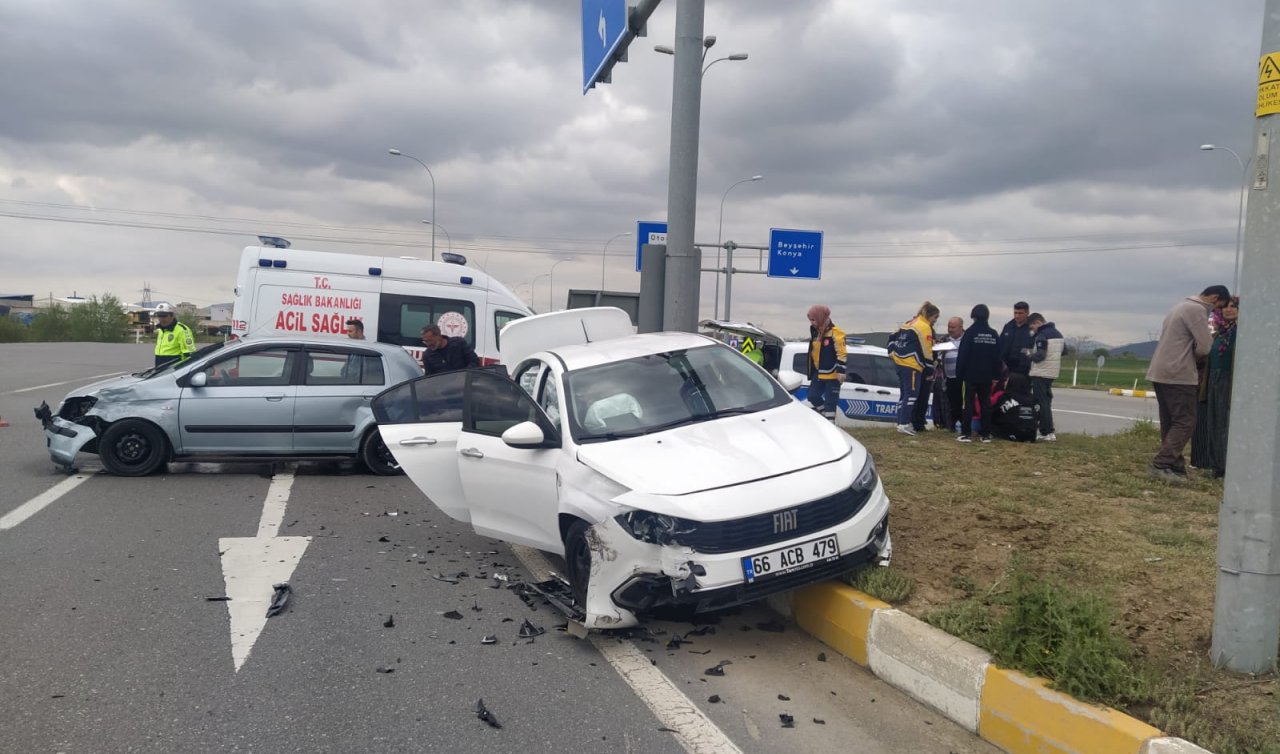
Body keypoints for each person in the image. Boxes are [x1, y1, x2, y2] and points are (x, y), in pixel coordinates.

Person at [1146, 285, 1231, 483]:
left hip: (1160, 370)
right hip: (1179, 372)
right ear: (1214, 298)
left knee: (1171, 421)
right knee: (1185, 421)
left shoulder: (1180, 306)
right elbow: (1204, 347)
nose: (1217, 311)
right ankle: (1161, 463)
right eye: (1219, 306)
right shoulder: (1197, 310)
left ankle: (1175, 466)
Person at [1190, 297, 1239, 478]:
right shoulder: (1218, 334)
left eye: (1234, 306)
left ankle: (1227, 467)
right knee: (1212, 423)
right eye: (1225, 306)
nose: (1229, 309)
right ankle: (1215, 465)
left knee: (1225, 425)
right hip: (1213, 381)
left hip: (1230, 382)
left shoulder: (1241, 334)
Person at [887, 301, 939, 436]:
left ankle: (901, 423)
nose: (935, 321)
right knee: (911, 395)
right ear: (930, 315)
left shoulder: (909, 322)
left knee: (904, 395)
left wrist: (892, 352)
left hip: (900, 363)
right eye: (935, 318)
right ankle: (904, 424)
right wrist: (929, 368)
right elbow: (927, 350)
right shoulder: (924, 326)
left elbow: (892, 335)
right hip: (912, 365)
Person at [956, 304, 1001, 443]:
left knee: (968, 404)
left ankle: (966, 433)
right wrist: (996, 375)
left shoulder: (970, 333)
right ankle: (986, 434)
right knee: (985, 404)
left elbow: (963, 355)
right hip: (987, 375)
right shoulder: (993, 334)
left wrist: (959, 373)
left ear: (973, 316)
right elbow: (997, 357)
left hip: (970, 375)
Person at [1026, 313, 1064, 442]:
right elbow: (1064, 352)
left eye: (1032, 327)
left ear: (1038, 322)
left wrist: (1028, 353)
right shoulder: (1058, 333)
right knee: (1046, 402)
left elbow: (1040, 356)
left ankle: (1046, 432)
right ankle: (1049, 431)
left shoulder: (1042, 335)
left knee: (1041, 403)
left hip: (1040, 372)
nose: (1032, 331)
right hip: (1052, 372)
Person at [805, 305, 847, 421]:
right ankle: (825, 416)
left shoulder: (836, 332)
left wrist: (841, 370)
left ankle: (830, 424)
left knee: (830, 403)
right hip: (818, 372)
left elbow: (842, 353)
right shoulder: (816, 332)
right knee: (812, 396)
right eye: (810, 320)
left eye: (813, 319)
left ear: (820, 317)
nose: (812, 323)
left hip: (832, 374)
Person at [991, 372, 1040, 442]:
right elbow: (1038, 415)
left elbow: (995, 414)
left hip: (1013, 432)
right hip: (1031, 435)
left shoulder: (1005, 397)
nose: (1004, 383)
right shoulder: (1033, 399)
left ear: (1011, 383)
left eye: (1006, 381)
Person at [940, 316, 965, 431]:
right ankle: (952, 425)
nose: (950, 329)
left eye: (953, 327)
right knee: (951, 402)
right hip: (948, 377)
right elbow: (938, 354)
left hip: (963, 377)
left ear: (961, 327)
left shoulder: (967, 338)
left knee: (962, 402)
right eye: (949, 327)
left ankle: (962, 424)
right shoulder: (944, 339)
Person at [152, 302, 195, 368]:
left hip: (174, 368)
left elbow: (189, 353)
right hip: (159, 365)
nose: (161, 319)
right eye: (159, 316)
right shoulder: (161, 329)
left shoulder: (182, 330)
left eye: (164, 316)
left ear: (172, 316)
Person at [998, 301, 1034, 377]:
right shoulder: (1008, 327)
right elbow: (1000, 345)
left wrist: (1028, 358)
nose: (1017, 316)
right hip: (1007, 368)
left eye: (1020, 313)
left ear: (1027, 313)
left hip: (1025, 370)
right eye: (1015, 313)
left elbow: (1034, 349)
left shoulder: (1032, 328)